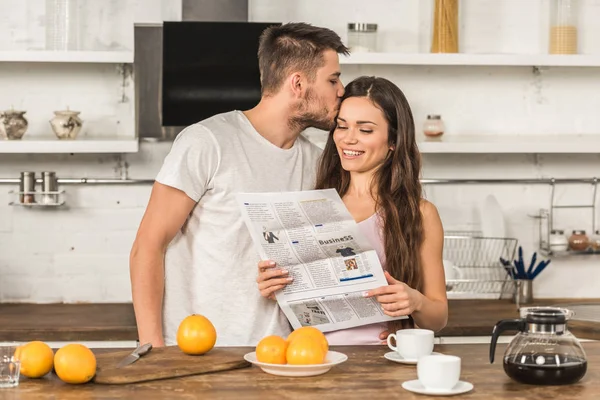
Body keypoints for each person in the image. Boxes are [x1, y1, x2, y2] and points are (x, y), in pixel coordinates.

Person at [130, 22, 348, 347]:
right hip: (199, 355)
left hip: (280, 355)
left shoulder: (318, 163)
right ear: (298, 83)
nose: (341, 89)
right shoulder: (207, 142)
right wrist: (151, 349)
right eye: (333, 79)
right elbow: (148, 246)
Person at [257, 76, 448, 345]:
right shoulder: (308, 205)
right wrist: (275, 286)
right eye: (342, 126)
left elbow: (438, 318)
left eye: (365, 130)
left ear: (393, 140)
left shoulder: (421, 213)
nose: (348, 139)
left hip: (381, 363)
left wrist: (415, 301)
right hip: (311, 357)